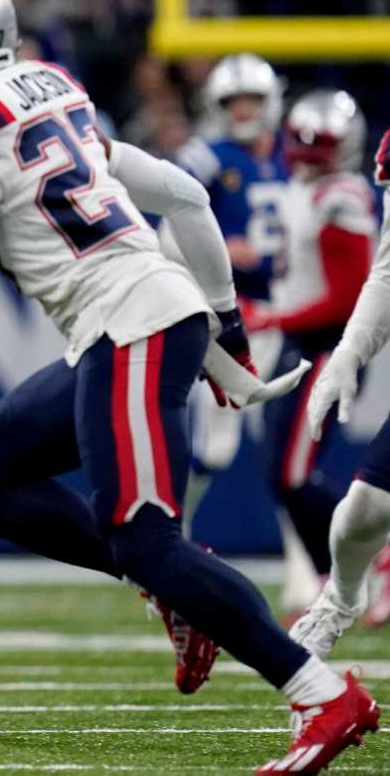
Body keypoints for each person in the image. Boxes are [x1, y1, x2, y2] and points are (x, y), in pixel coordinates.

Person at [0, 0, 378, 775]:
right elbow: (183, 194)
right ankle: (177, 587)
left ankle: (322, 693)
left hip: (132, 327)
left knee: (148, 538)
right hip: (138, 320)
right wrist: (226, 328)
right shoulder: (45, 83)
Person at [174, 55, 302, 603]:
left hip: (290, 317)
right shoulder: (207, 158)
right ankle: (167, 539)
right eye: (233, 102)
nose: (244, 111)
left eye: (251, 99)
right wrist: (222, 251)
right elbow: (166, 230)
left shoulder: (298, 156)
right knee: (217, 451)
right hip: (232, 322)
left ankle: (305, 572)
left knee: (290, 455)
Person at [244, 91, 376, 609]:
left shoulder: (341, 195)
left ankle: (370, 562)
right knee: (283, 474)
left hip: (327, 346)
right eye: (301, 142)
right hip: (301, 342)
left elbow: (347, 298)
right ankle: (343, 575)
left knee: (293, 476)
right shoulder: (303, 190)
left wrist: (273, 317)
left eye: (318, 144)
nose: (306, 153)